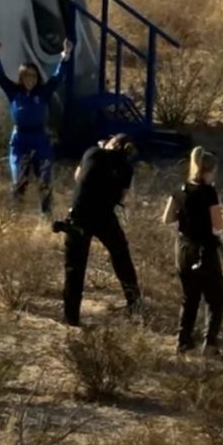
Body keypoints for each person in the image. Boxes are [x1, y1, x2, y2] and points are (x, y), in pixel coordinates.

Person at [57, 133, 142, 326]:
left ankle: (71, 318)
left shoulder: (93, 153)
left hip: (79, 215)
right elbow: (122, 197)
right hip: (104, 216)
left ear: (113, 143)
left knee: (74, 268)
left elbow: (78, 177)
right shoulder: (126, 168)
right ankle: (135, 303)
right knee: (121, 257)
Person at [0, 39, 73, 217]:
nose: (31, 80)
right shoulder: (14, 91)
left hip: (40, 139)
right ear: (21, 77)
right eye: (27, 76)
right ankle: (16, 217)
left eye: (34, 76)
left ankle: (46, 215)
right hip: (20, 140)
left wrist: (65, 57)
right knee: (20, 181)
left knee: (45, 179)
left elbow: (58, 77)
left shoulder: (42, 92)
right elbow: (0, 77)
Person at [163, 147, 223, 356]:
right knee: (215, 298)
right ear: (208, 171)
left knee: (189, 297)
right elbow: (218, 225)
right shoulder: (209, 193)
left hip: (182, 249)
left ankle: (183, 341)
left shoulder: (180, 190)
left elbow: (167, 219)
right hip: (204, 251)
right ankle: (210, 344)